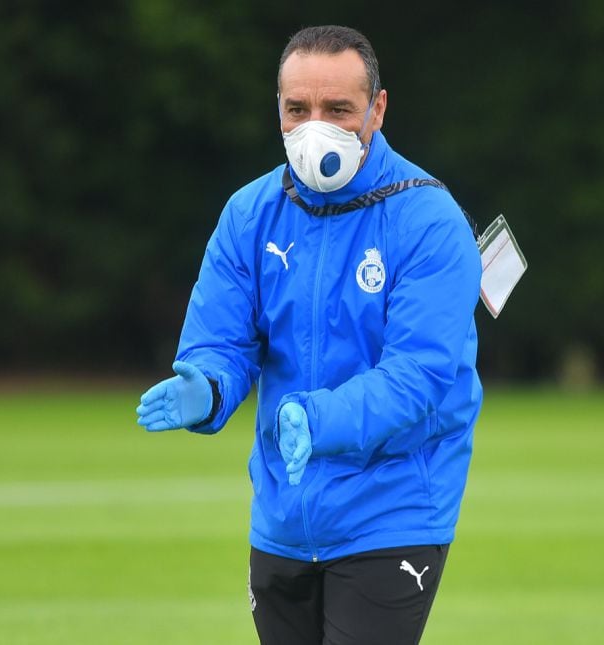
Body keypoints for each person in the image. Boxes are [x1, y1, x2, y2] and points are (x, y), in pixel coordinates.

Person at [135, 25, 483, 645]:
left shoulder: (429, 220)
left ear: (376, 109)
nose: (314, 126)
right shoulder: (249, 212)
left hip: (394, 509)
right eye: (298, 109)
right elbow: (222, 340)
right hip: (282, 513)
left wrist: (316, 420)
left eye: (338, 109)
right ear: (278, 110)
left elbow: (418, 377)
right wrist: (208, 388)